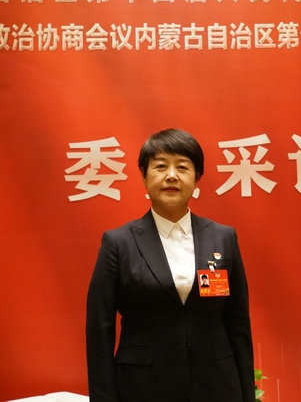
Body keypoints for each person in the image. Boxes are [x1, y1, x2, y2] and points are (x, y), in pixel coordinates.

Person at [86, 128, 255, 402]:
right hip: (143, 388)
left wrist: (247, 395)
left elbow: (238, 325)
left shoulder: (223, 238)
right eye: (161, 166)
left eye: (183, 167)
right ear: (144, 176)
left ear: (197, 178)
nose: (172, 175)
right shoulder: (118, 243)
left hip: (217, 387)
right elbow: (99, 331)